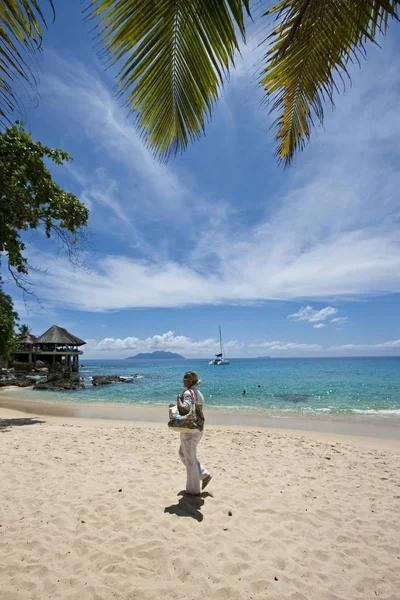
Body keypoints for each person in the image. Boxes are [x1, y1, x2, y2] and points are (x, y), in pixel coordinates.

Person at [176, 371, 212, 496]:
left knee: (190, 460)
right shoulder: (198, 393)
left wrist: (178, 400)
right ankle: (203, 474)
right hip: (198, 428)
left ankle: (193, 491)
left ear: (190, 381)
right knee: (182, 454)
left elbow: (184, 408)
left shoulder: (187, 393)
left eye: (185, 379)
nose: (183, 381)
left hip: (189, 430)